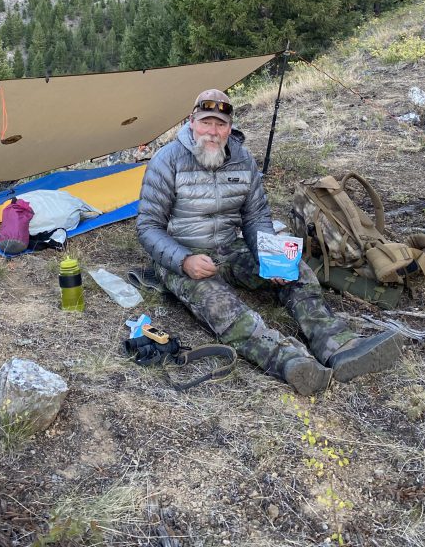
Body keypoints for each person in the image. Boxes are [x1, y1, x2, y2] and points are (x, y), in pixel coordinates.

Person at [137, 88, 403, 394]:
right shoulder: (166, 160)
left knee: (297, 271)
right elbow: (148, 227)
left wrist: (268, 257)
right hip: (181, 255)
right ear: (192, 121)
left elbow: (255, 218)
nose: (213, 132)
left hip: (229, 247)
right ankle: (290, 362)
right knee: (221, 305)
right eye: (206, 122)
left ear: (230, 126)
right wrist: (184, 260)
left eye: (220, 124)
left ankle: (339, 345)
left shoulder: (242, 159)